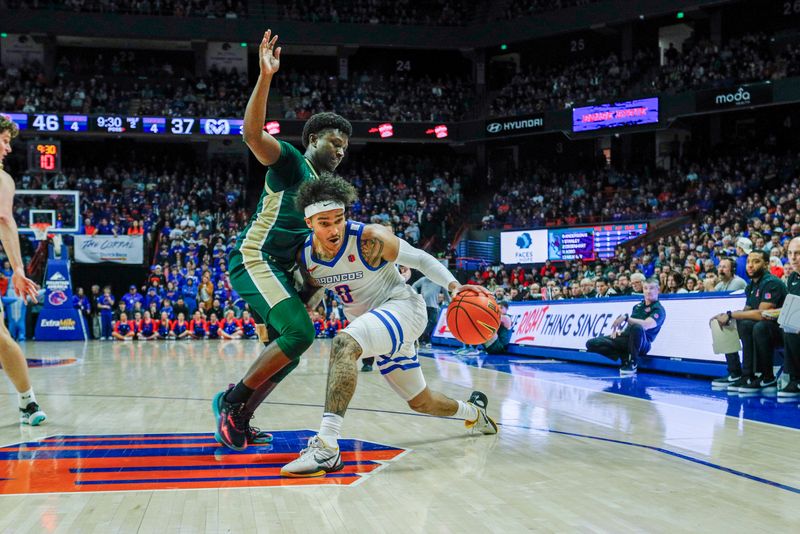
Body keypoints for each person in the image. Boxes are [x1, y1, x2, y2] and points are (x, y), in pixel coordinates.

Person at [280, 173, 497, 478]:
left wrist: (453, 286)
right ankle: (476, 412)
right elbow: (317, 289)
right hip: (377, 327)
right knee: (422, 402)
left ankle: (327, 447)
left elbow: (420, 259)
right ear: (310, 224)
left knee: (344, 343)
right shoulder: (307, 256)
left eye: (338, 219)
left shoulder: (370, 238)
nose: (334, 229)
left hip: (402, 308)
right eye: (324, 222)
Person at [213, 29, 353, 451]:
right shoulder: (292, 163)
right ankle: (232, 403)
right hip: (254, 258)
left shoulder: (325, 193)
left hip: (280, 269)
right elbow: (253, 135)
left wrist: (315, 288)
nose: (341, 151)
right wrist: (265, 76)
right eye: (335, 142)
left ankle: (241, 418)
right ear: (313, 140)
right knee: (301, 334)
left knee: (288, 349)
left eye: (346, 146)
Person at [0, 114, 47, 426]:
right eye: (4, 141)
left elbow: (5, 222)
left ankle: (27, 401)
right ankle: (27, 401)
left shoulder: (2, 179)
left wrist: (17, 267)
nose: (7, 148)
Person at [711, 250, 787, 395]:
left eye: (756, 261)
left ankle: (765, 376)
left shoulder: (772, 282)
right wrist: (727, 317)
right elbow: (746, 311)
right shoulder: (751, 286)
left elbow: (762, 314)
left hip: (780, 331)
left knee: (754, 325)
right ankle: (737, 373)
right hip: (763, 328)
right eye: (748, 262)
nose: (750, 265)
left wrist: (730, 314)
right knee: (729, 323)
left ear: (765, 265)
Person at [585, 277, 666, 376]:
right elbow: (630, 325)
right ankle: (624, 357)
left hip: (643, 344)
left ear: (658, 290)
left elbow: (646, 325)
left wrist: (626, 318)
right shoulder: (637, 306)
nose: (648, 291)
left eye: (652, 288)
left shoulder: (658, 310)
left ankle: (632, 363)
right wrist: (620, 332)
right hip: (627, 338)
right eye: (645, 288)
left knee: (637, 327)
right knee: (591, 343)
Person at [770, 237, 800, 399]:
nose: (793, 257)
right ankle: (763, 376)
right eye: (789, 253)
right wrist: (772, 313)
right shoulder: (793, 278)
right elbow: (790, 306)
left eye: (797, 253)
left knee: (791, 328)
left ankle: (795, 379)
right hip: (796, 323)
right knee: (759, 326)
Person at [412, 274, 450, 348]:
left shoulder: (439, 281)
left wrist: (450, 302)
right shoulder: (423, 279)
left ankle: (420, 336)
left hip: (433, 306)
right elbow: (414, 286)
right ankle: (426, 340)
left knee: (433, 322)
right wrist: (417, 295)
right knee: (423, 323)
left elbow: (445, 292)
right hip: (423, 305)